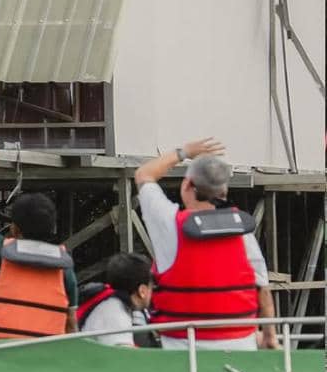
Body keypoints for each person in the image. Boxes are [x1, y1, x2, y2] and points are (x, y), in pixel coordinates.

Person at [134, 138, 276, 350]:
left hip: (182, 345)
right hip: (240, 344)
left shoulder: (169, 223)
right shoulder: (240, 230)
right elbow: (262, 288)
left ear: (187, 185)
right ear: (223, 191)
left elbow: (144, 174)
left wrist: (184, 152)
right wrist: (270, 337)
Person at [0, 138, 77, 339]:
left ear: (14, 229)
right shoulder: (64, 267)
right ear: (52, 227)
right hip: (42, 359)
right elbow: (71, 323)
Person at [77, 253, 154, 347]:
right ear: (142, 291)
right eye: (151, 287)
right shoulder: (116, 313)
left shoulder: (109, 303)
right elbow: (123, 357)